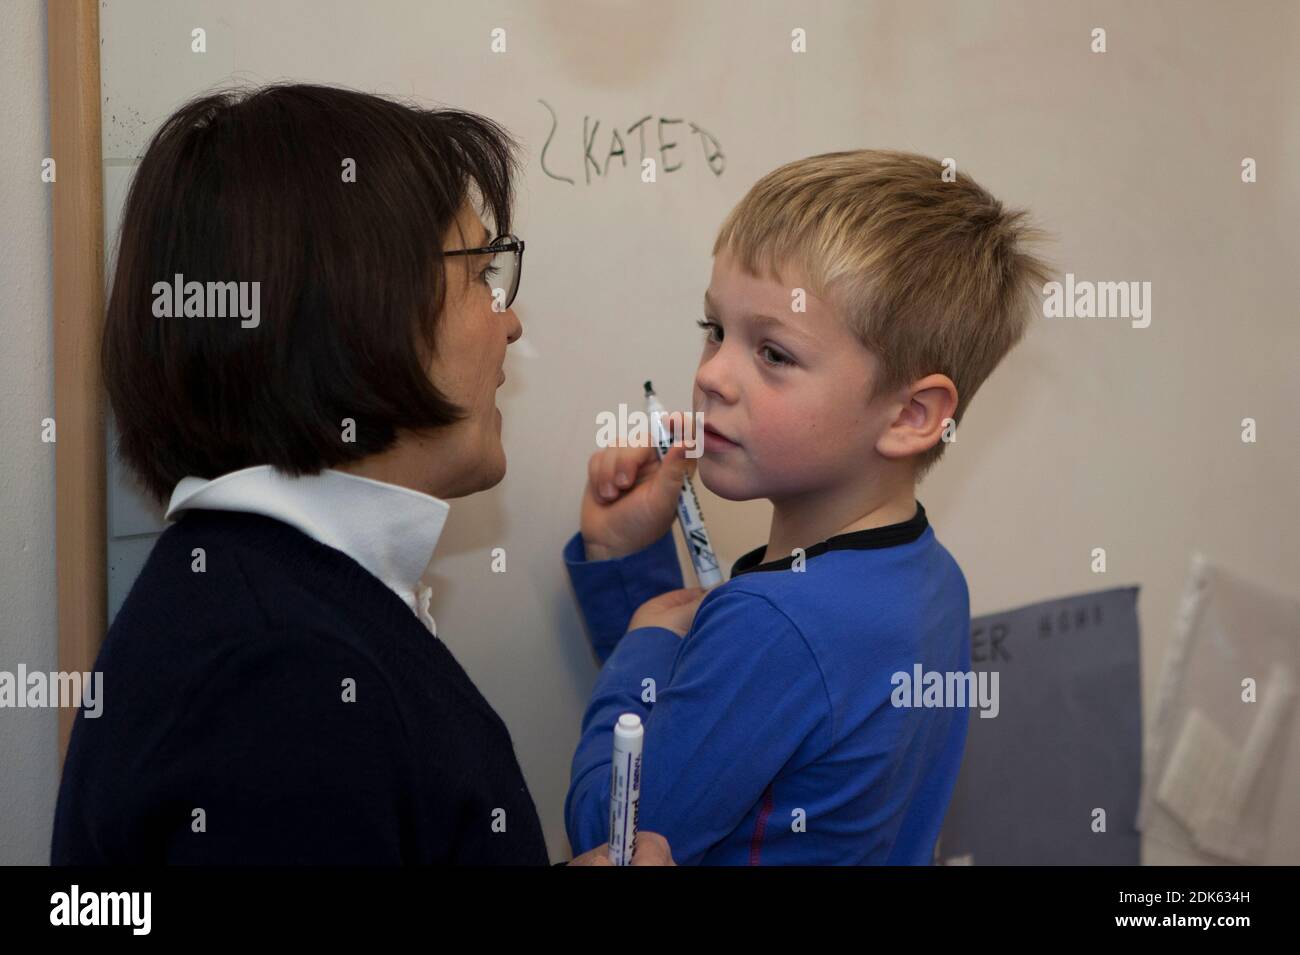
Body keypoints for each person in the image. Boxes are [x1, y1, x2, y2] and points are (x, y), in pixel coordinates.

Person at [50, 82, 672, 866]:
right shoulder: (281, 683)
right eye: (481, 273)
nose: (509, 319)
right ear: (357, 305)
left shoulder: (271, 598)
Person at [563, 150, 1051, 864]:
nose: (710, 375)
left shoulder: (776, 624)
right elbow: (703, 726)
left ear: (912, 413)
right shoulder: (932, 579)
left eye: (774, 353)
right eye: (714, 330)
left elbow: (618, 838)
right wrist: (626, 561)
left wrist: (647, 639)